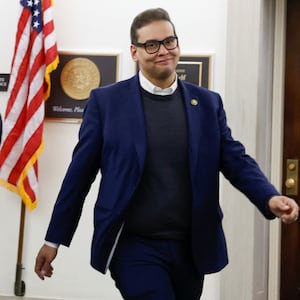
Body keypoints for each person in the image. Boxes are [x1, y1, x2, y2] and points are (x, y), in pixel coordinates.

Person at [35, 8, 299, 300]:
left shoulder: (208, 104)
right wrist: (54, 239)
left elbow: (234, 158)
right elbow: (79, 175)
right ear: (134, 52)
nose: (163, 50)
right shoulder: (107, 103)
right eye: (151, 44)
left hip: (191, 248)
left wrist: (269, 196)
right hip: (133, 246)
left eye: (169, 41)